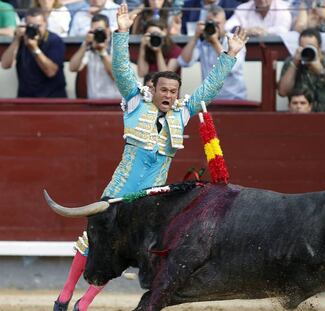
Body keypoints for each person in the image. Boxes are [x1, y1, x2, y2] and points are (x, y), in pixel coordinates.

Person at [53, 3, 248, 311]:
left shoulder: (182, 113)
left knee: (120, 253)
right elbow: (120, 68)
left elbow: (208, 90)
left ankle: (83, 305)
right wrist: (121, 33)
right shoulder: (134, 102)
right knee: (92, 244)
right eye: (165, 90)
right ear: (152, 89)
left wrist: (229, 55)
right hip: (117, 193)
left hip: (147, 201)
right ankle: (63, 298)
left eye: (174, 90)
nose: (170, 95)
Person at [179, 5, 246, 99]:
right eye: (211, 23)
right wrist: (195, 37)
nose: (215, 27)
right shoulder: (203, 40)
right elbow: (184, 62)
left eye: (217, 23)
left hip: (234, 97)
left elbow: (232, 68)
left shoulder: (234, 41)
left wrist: (214, 42)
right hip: (210, 98)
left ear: (225, 23)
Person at [1, 8, 67, 97]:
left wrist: (34, 49)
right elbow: (5, 64)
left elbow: (51, 72)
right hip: (26, 99)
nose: (35, 30)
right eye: (31, 26)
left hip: (51, 98)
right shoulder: (22, 40)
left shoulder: (54, 41)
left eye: (38, 26)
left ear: (45, 24)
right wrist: (16, 40)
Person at [278, 28, 325, 112]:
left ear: (320, 47)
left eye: (311, 47)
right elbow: (283, 92)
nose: (307, 50)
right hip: (301, 116)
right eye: (303, 47)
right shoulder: (292, 61)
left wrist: (321, 71)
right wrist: (294, 64)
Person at [69, 14, 120, 98]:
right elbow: (73, 67)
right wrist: (85, 44)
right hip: (94, 101)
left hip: (114, 102)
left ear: (108, 30)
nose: (98, 33)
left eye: (101, 30)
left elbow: (117, 77)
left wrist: (102, 52)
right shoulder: (89, 45)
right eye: (95, 30)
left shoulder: (117, 46)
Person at [224, 0, 292, 36]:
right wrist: (245, 31)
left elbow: (284, 29)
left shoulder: (283, 7)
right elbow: (227, 27)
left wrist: (265, 31)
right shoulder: (243, 8)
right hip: (248, 51)